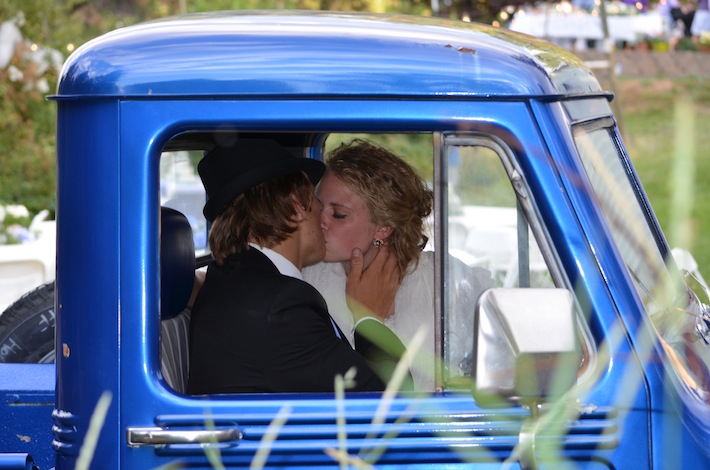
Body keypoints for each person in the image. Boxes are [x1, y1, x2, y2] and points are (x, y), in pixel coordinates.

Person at [187, 138, 412, 394]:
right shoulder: (279, 307)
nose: (323, 221)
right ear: (296, 207)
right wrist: (369, 318)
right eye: (318, 206)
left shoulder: (234, 278)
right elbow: (393, 399)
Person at [303, 140, 494, 391]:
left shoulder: (447, 283)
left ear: (383, 228)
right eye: (318, 207)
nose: (321, 221)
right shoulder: (306, 280)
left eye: (338, 214)